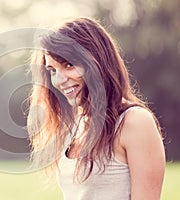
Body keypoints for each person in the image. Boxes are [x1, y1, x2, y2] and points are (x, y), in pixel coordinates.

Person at [27, 17, 165, 200]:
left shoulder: (134, 121)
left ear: (97, 61)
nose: (59, 80)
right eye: (52, 70)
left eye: (69, 65)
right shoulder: (76, 126)